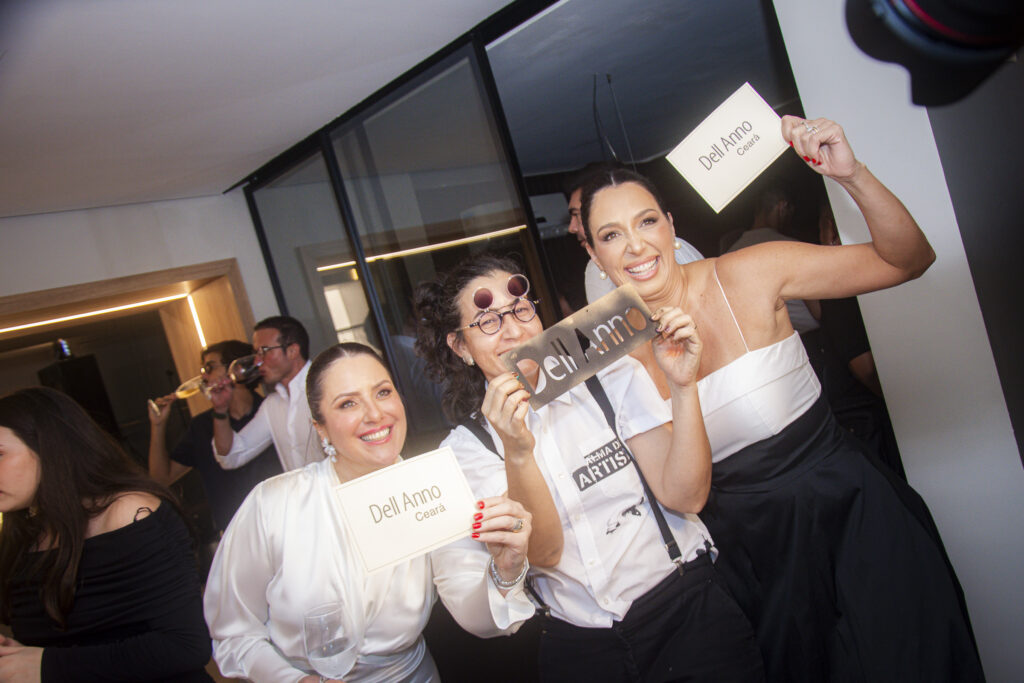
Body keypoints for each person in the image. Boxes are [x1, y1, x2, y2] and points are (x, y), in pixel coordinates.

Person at [578, 116, 984, 681]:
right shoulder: (616, 361)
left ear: (670, 226)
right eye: (611, 234)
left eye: (646, 221)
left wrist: (851, 175)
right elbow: (682, 497)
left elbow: (907, 260)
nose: (636, 244)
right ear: (596, 255)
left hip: (854, 515)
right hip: (757, 561)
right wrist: (682, 382)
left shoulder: (748, 272)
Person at [413, 256, 764, 682]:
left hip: (687, 611)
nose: (513, 330)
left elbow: (687, 496)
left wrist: (683, 386)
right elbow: (545, 554)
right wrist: (517, 452)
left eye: (521, 309)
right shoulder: (466, 451)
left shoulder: (613, 378)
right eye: (487, 320)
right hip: (581, 647)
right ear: (461, 347)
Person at [203, 342, 535, 683]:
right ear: (320, 426)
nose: (375, 414)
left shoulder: (433, 490)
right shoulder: (273, 505)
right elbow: (233, 634)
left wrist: (504, 569)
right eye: (348, 403)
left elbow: (475, 614)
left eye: (383, 392)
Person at [0, 387, 213, 682]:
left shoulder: (129, 513)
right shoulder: (22, 536)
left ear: (48, 447)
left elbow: (186, 646)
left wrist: (47, 665)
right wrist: (19, 656)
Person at [148, 339, 282, 535]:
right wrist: (158, 426)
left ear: (237, 368)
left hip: (280, 523)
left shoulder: (271, 411)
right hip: (233, 533)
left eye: (209, 368)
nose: (204, 378)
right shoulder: (201, 426)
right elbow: (160, 478)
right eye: (203, 371)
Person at [211, 315, 320, 472]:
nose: (257, 362)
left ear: (292, 351)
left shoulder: (325, 387)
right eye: (256, 353)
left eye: (264, 351)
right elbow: (232, 457)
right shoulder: (272, 405)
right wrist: (220, 411)